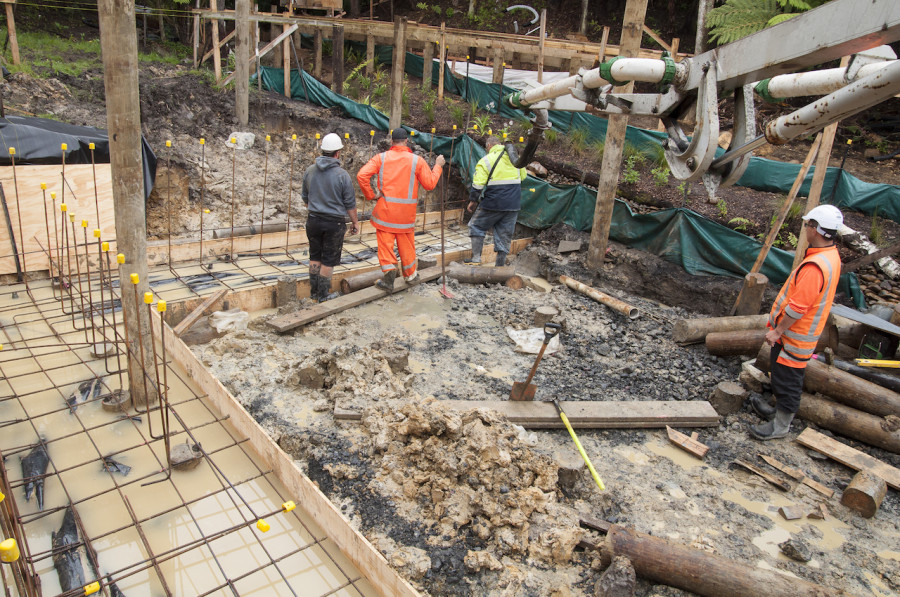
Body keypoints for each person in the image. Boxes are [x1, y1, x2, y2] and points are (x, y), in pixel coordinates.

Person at [749, 204, 843, 440]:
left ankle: (780, 427)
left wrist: (778, 331)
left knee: (788, 381)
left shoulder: (815, 267)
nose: (805, 229)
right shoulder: (830, 256)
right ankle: (777, 411)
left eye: (807, 225)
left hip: (794, 336)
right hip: (799, 335)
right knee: (780, 376)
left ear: (816, 229)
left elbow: (798, 307)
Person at [356, 128, 445, 293]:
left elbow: (362, 175)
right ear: (406, 141)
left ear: (391, 141)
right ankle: (411, 275)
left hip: (386, 212)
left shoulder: (381, 158)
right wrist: (438, 166)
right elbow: (430, 184)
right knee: (406, 245)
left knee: (385, 245)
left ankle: (389, 276)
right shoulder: (416, 161)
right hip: (406, 215)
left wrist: (372, 195)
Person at [302, 132, 360, 302]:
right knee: (328, 259)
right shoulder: (342, 175)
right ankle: (323, 295)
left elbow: (305, 197)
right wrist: (355, 222)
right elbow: (350, 204)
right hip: (333, 223)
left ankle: (314, 293)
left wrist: (315, 209)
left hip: (313, 220)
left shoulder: (310, 171)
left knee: (315, 256)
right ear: (338, 153)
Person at [465, 136, 527, 267]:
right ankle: (499, 267)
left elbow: (478, 184)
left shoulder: (487, 160)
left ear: (489, 146)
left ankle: (476, 258)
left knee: (475, 226)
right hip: (513, 205)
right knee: (504, 235)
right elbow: (523, 176)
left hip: (494, 202)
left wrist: (473, 200)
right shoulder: (515, 160)